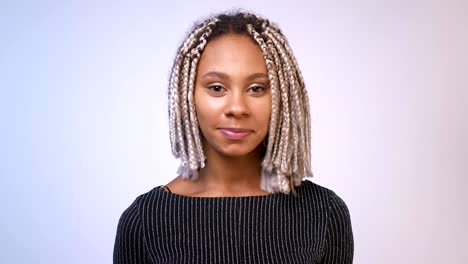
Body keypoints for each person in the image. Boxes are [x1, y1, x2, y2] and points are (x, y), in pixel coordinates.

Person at [113, 11, 354, 264]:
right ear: (187, 96)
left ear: (283, 98)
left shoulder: (323, 212)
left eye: (256, 88)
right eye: (217, 88)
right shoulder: (145, 219)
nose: (237, 107)